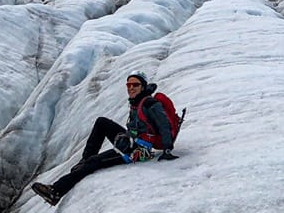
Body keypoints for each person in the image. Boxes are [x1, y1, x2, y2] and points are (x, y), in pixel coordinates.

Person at [31, 72, 178, 205]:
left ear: (143, 86)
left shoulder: (150, 103)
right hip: (131, 141)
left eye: (135, 85)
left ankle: (55, 192)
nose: (131, 88)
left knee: (94, 162)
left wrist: (167, 149)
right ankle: (84, 161)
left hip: (138, 151)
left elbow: (164, 124)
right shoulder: (137, 102)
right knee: (102, 122)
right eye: (128, 85)